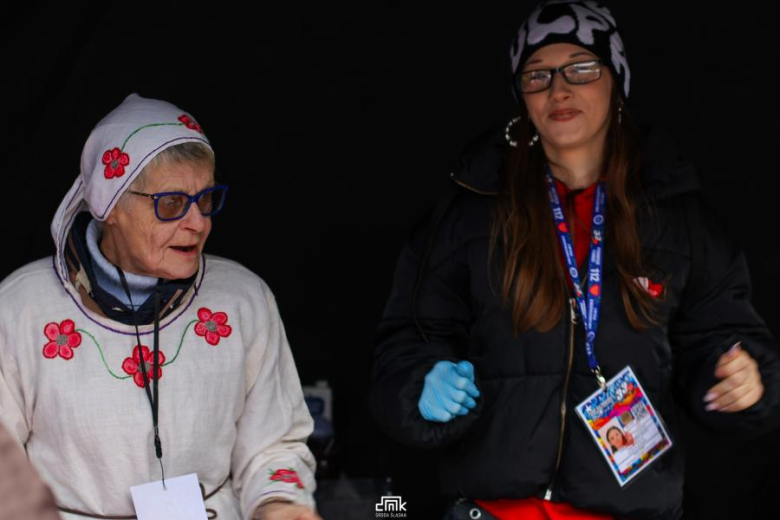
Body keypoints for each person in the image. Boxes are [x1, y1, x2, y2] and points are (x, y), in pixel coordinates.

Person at [369, 1, 780, 519]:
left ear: (616, 80)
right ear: (521, 96)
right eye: (537, 75)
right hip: (492, 510)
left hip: (628, 510)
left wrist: (738, 378)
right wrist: (420, 382)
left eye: (581, 69)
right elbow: (407, 339)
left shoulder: (678, 215)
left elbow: (718, 338)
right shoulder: (471, 209)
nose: (558, 90)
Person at [0, 93, 322, 520]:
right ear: (110, 205)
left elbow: (273, 443)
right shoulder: (20, 308)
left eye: (205, 199)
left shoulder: (243, 300)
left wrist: (278, 504)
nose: (198, 222)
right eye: (170, 204)